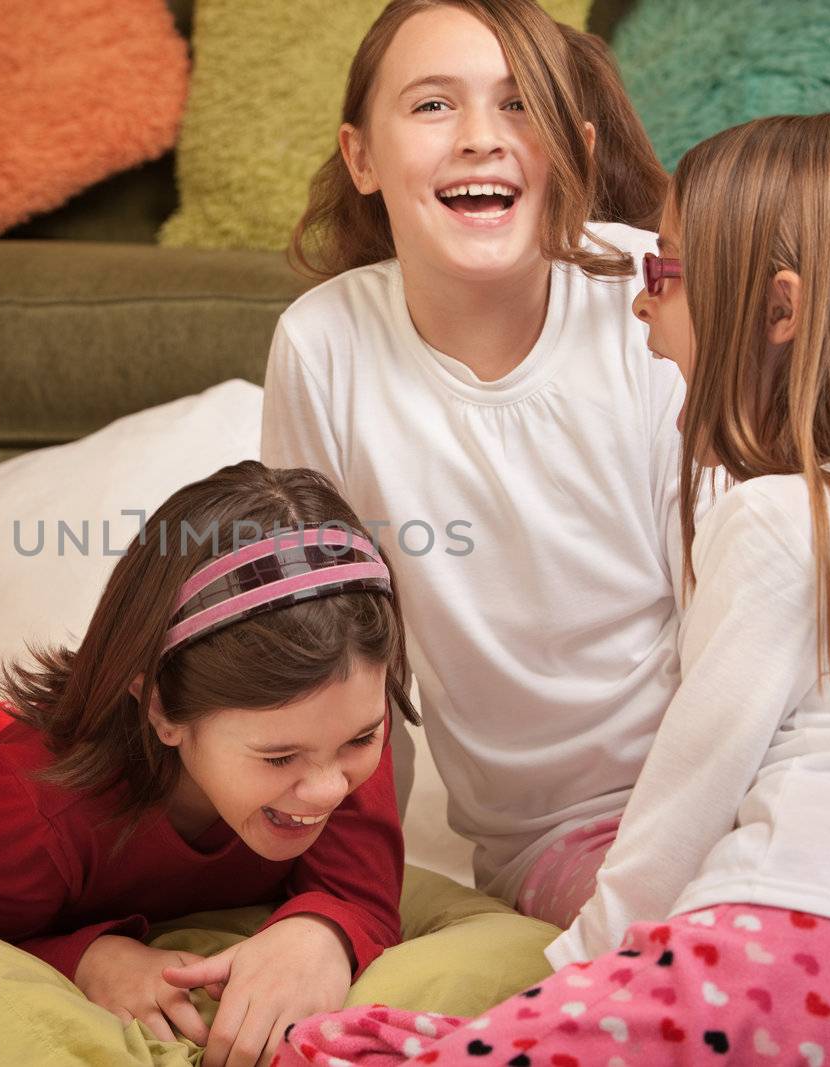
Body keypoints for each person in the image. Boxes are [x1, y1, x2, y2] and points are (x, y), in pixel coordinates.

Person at [275, 113, 830, 1065]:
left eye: (666, 272)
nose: (642, 304)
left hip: (773, 961)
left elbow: (686, 801)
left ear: (780, 311)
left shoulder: (773, 523)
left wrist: (578, 975)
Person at [261, 0, 679, 931]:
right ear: (361, 157)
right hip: (563, 835)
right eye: (433, 106)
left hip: (752, 770)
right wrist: (337, 911)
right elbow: (335, 651)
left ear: (572, 149)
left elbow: (752, 604)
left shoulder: (659, 297)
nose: (482, 139)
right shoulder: (324, 346)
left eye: (519, 104)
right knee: (701, 949)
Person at [0, 461, 421, 1067]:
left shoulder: (336, 731)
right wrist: (87, 958)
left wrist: (322, 933)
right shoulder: (27, 811)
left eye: (362, 739)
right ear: (162, 708)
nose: (324, 789)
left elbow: (361, 895)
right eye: (279, 756)